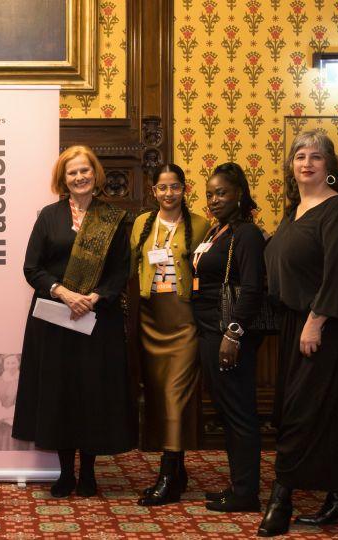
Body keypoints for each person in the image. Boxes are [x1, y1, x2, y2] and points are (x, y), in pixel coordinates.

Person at [259, 131, 338, 536]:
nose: (307, 163)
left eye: (316, 156)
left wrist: (316, 321)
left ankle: (281, 500)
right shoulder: (294, 210)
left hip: (329, 327)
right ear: (290, 165)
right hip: (297, 323)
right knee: (319, 414)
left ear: (329, 167)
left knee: (301, 415)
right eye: (299, 156)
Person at [12, 145, 134, 498]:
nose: (80, 177)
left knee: (92, 392)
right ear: (62, 180)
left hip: (97, 320)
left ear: (95, 174)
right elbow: (32, 267)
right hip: (55, 319)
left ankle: (90, 473)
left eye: (85, 170)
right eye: (72, 173)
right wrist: (64, 293)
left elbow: (120, 269)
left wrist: (94, 297)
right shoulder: (48, 217)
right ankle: (66, 473)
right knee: (59, 392)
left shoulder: (113, 218)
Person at [129, 163, 207, 506]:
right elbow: (133, 269)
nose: (168, 193)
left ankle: (166, 475)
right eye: (162, 188)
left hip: (184, 320)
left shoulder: (201, 225)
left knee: (175, 395)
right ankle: (178, 469)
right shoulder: (142, 224)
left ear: (183, 189)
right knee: (159, 395)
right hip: (150, 318)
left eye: (175, 187)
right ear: (153, 191)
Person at [191, 163, 265, 513]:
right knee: (226, 411)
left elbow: (252, 288)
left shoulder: (246, 234)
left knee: (239, 413)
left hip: (229, 334)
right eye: (209, 194)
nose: (214, 199)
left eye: (221, 192)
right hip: (208, 330)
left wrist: (233, 333)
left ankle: (247, 493)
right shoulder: (216, 231)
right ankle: (238, 486)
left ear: (239, 194)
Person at [0, 354, 29, 451]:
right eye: (7, 363)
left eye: (13, 363)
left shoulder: (26, 380)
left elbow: (23, 404)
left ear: (18, 363)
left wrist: (2, 416)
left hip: (16, 425)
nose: (10, 366)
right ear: (3, 364)